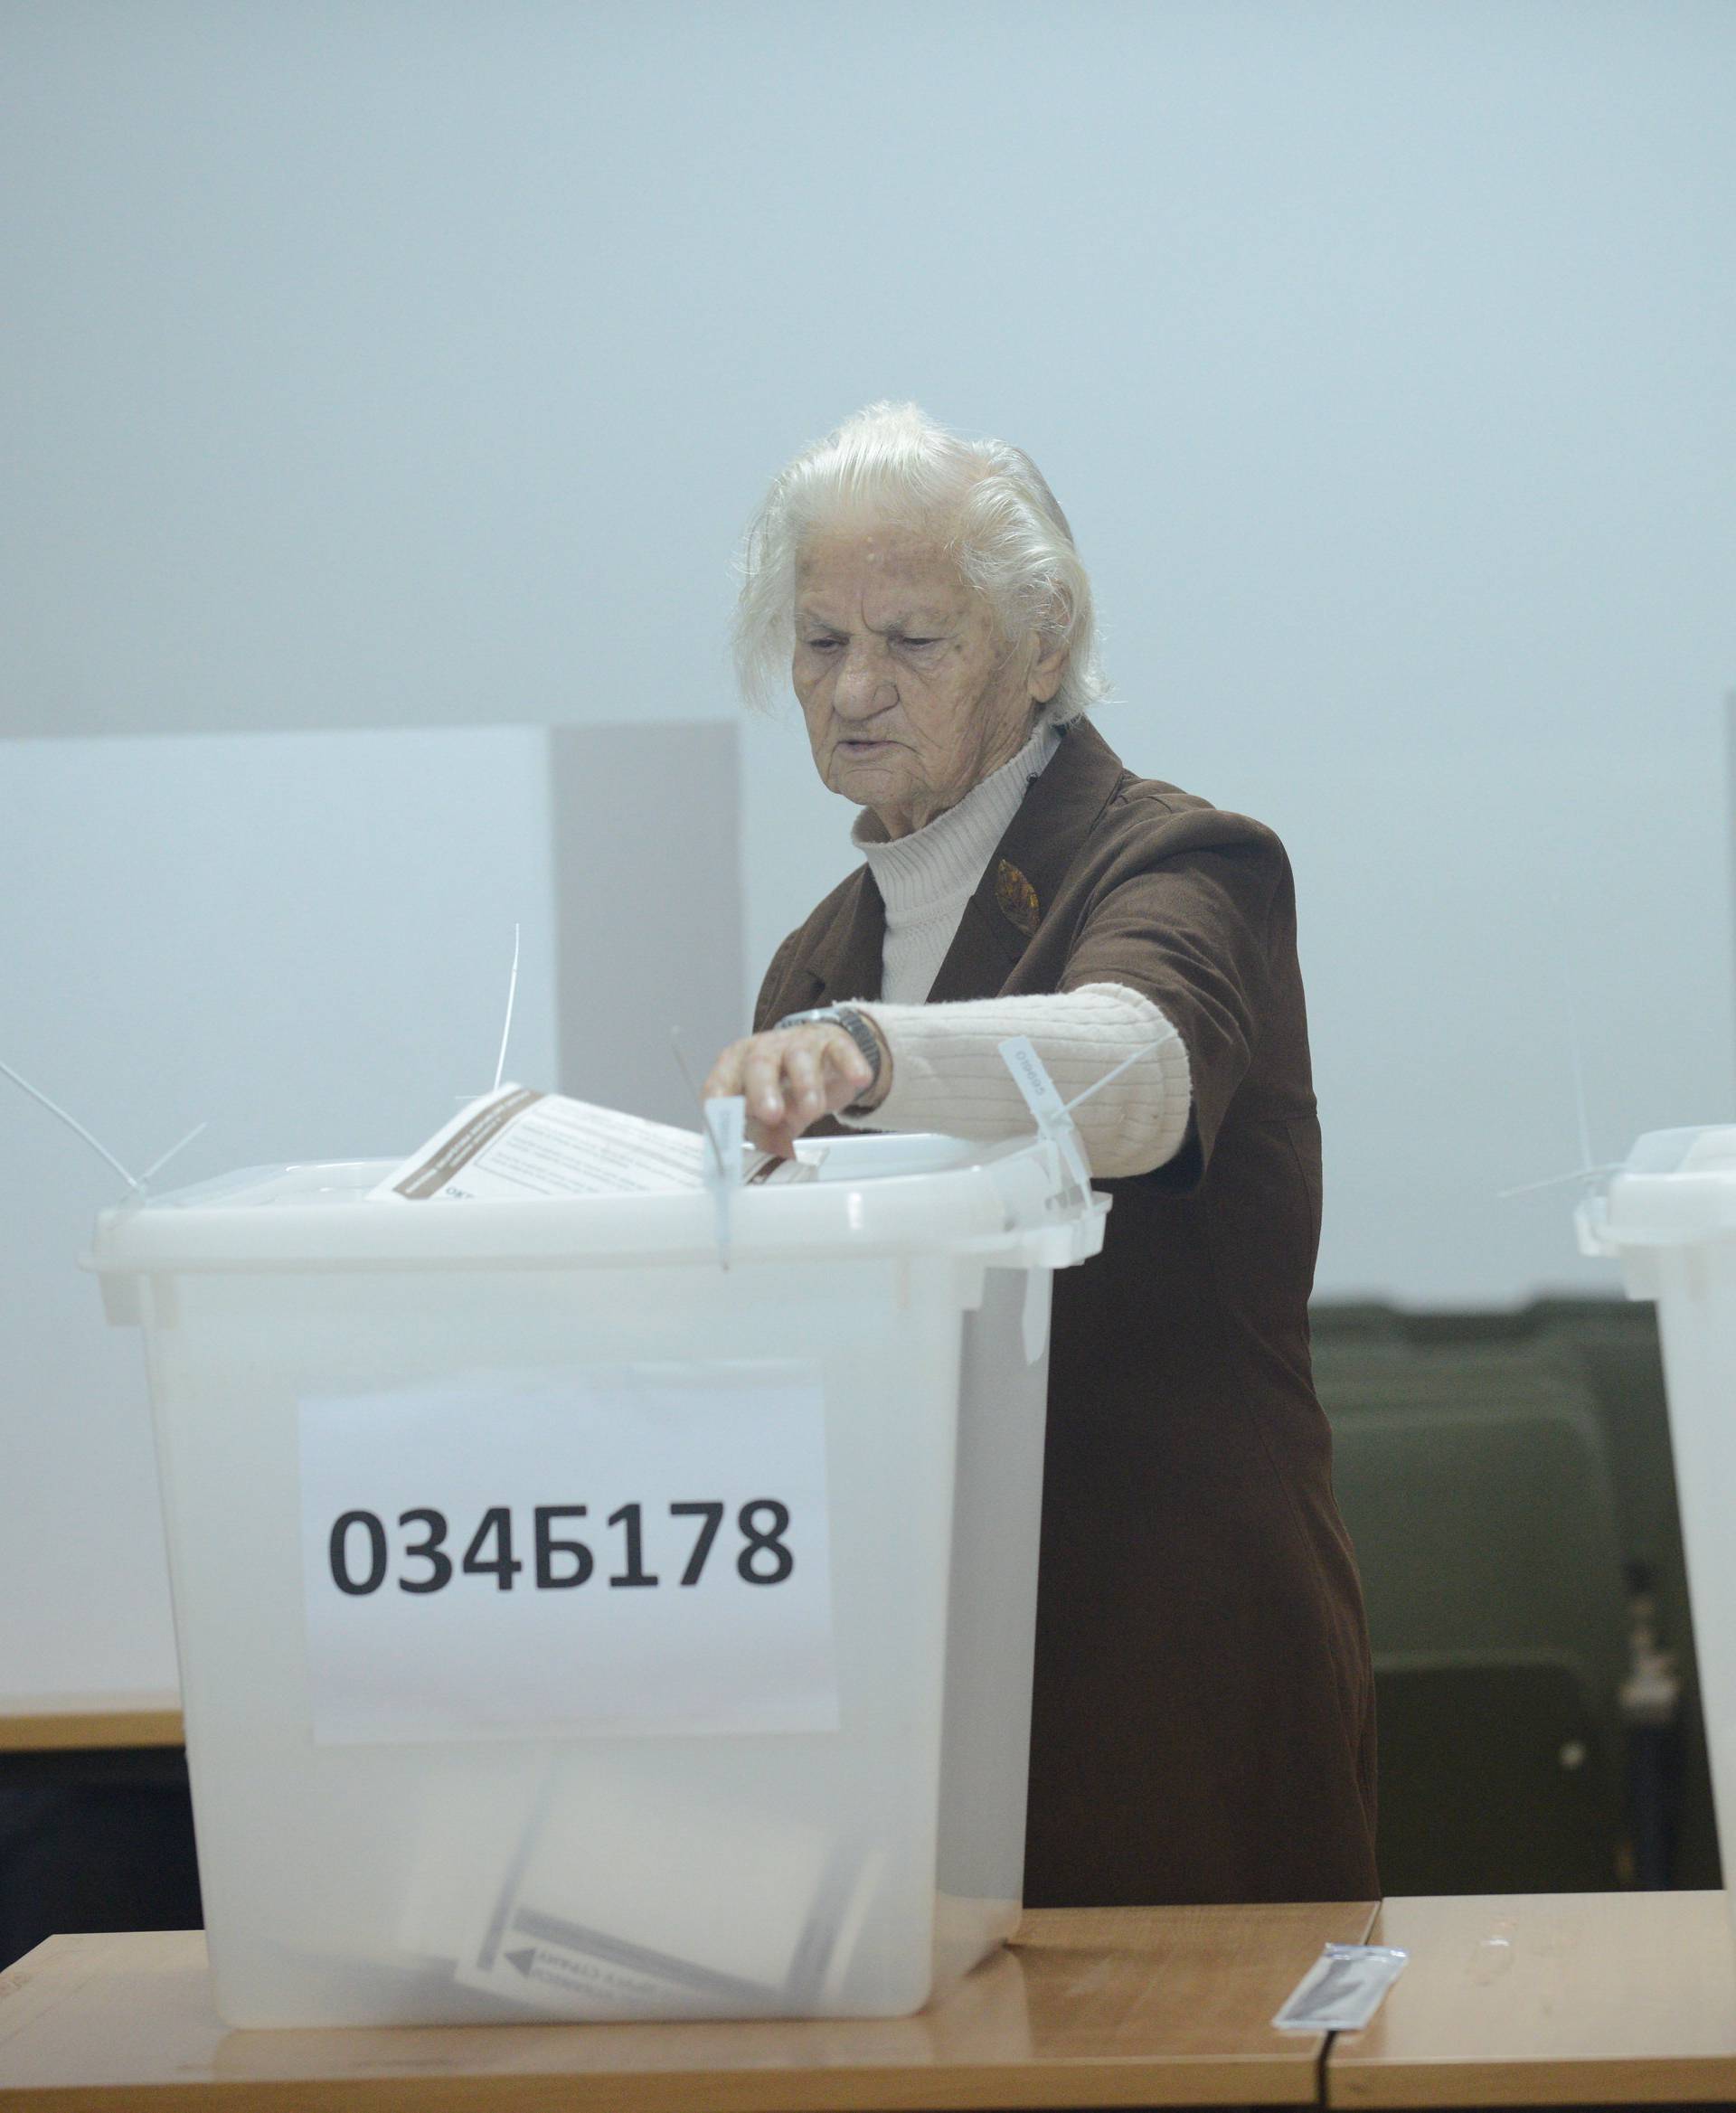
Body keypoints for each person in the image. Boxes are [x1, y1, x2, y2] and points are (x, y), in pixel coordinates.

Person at [704, 401, 1378, 1906]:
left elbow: (1133, 1072)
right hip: (911, 1702)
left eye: (914, 640)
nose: (855, 689)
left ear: (1042, 636)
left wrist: (874, 1061)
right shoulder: (820, 958)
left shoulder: (1181, 861)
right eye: (820, 644)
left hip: (1163, 1680)